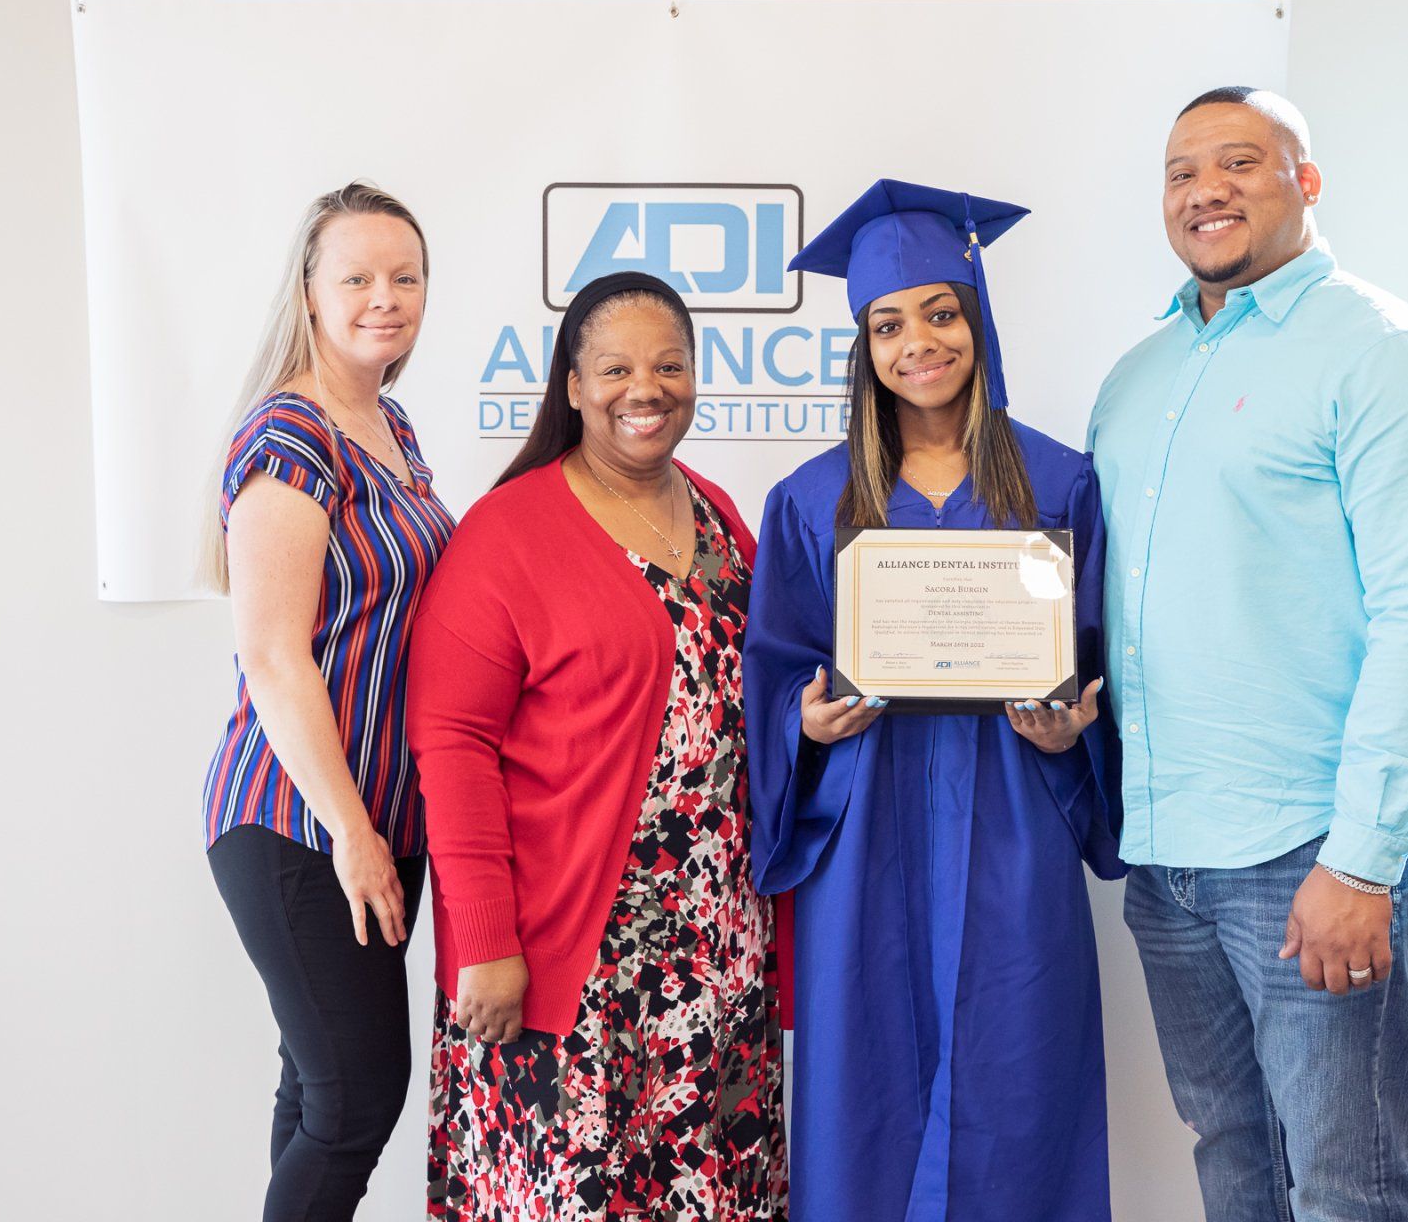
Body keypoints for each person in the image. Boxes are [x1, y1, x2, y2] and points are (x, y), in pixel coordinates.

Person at [1089, 87, 1408, 1221]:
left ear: (1305, 181)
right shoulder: (1139, 380)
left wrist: (1362, 861)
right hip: (1171, 843)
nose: (1205, 190)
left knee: (1346, 1179)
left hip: (1317, 833)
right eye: (1180, 173)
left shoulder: (1385, 356)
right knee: (1236, 1152)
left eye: (1239, 163)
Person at [745, 179, 1120, 1222]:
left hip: (1013, 825)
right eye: (887, 323)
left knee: (1022, 1076)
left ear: (978, 317)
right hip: (866, 830)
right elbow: (776, 672)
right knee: (863, 1091)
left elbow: (1098, 672)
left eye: (941, 311)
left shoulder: (1061, 480)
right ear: (863, 346)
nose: (919, 342)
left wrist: (1069, 730)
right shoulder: (811, 499)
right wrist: (804, 725)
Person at [405, 271, 788, 1221]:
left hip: (714, 955)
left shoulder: (718, 515)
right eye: (614, 368)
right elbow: (451, 745)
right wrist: (484, 942)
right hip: (573, 955)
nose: (643, 388)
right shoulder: (508, 533)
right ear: (572, 386)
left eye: (669, 365)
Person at [200, 182, 456, 1221]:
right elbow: (270, 653)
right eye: (356, 276)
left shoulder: (389, 424)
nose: (383, 297)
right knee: (356, 1099)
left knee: (315, 1091)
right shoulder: (292, 435)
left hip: (377, 820)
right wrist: (353, 832)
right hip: (299, 817)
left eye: (405, 276)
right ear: (309, 291)